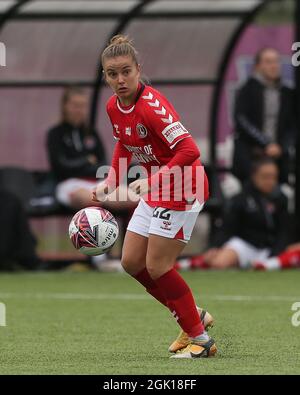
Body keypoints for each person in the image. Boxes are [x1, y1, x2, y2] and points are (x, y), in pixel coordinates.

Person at [93, 35, 217, 359]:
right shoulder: (113, 107)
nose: (120, 80)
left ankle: (201, 340)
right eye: (112, 74)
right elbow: (124, 141)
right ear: (105, 76)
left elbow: (191, 150)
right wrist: (111, 179)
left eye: (125, 72)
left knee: (158, 266)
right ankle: (195, 318)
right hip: (159, 186)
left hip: (183, 187)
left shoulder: (152, 107)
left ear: (138, 70)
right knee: (132, 263)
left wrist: (156, 179)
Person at [176, 158, 289, 270]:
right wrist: (215, 246)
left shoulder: (281, 199)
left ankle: (267, 264)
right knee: (219, 263)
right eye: (265, 177)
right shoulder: (242, 199)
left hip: (270, 249)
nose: (270, 182)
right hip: (246, 246)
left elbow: (283, 231)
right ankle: (192, 263)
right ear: (254, 176)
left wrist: (275, 253)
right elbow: (227, 228)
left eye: (273, 177)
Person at [47, 86, 139, 212]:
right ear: (65, 106)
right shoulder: (55, 134)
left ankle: (128, 231)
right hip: (69, 184)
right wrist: (86, 160)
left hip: (97, 182)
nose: (79, 110)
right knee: (90, 198)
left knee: (133, 197)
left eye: (82, 106)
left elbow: (102, 162)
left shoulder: (91, 133)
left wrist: (83, 165)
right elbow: (60, 166)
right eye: (75, 105)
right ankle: (91, 230)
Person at [232, 47, 296, 183]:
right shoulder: (247, 90)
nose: (273, 66)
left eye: (276, 61)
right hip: (252, 155)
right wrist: (266, 143)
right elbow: (241, 120)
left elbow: (293, 124)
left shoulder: (287, 93)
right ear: (257, 66)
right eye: (268, 62)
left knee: (280, 195)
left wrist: (281, 146)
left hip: (279, 156)